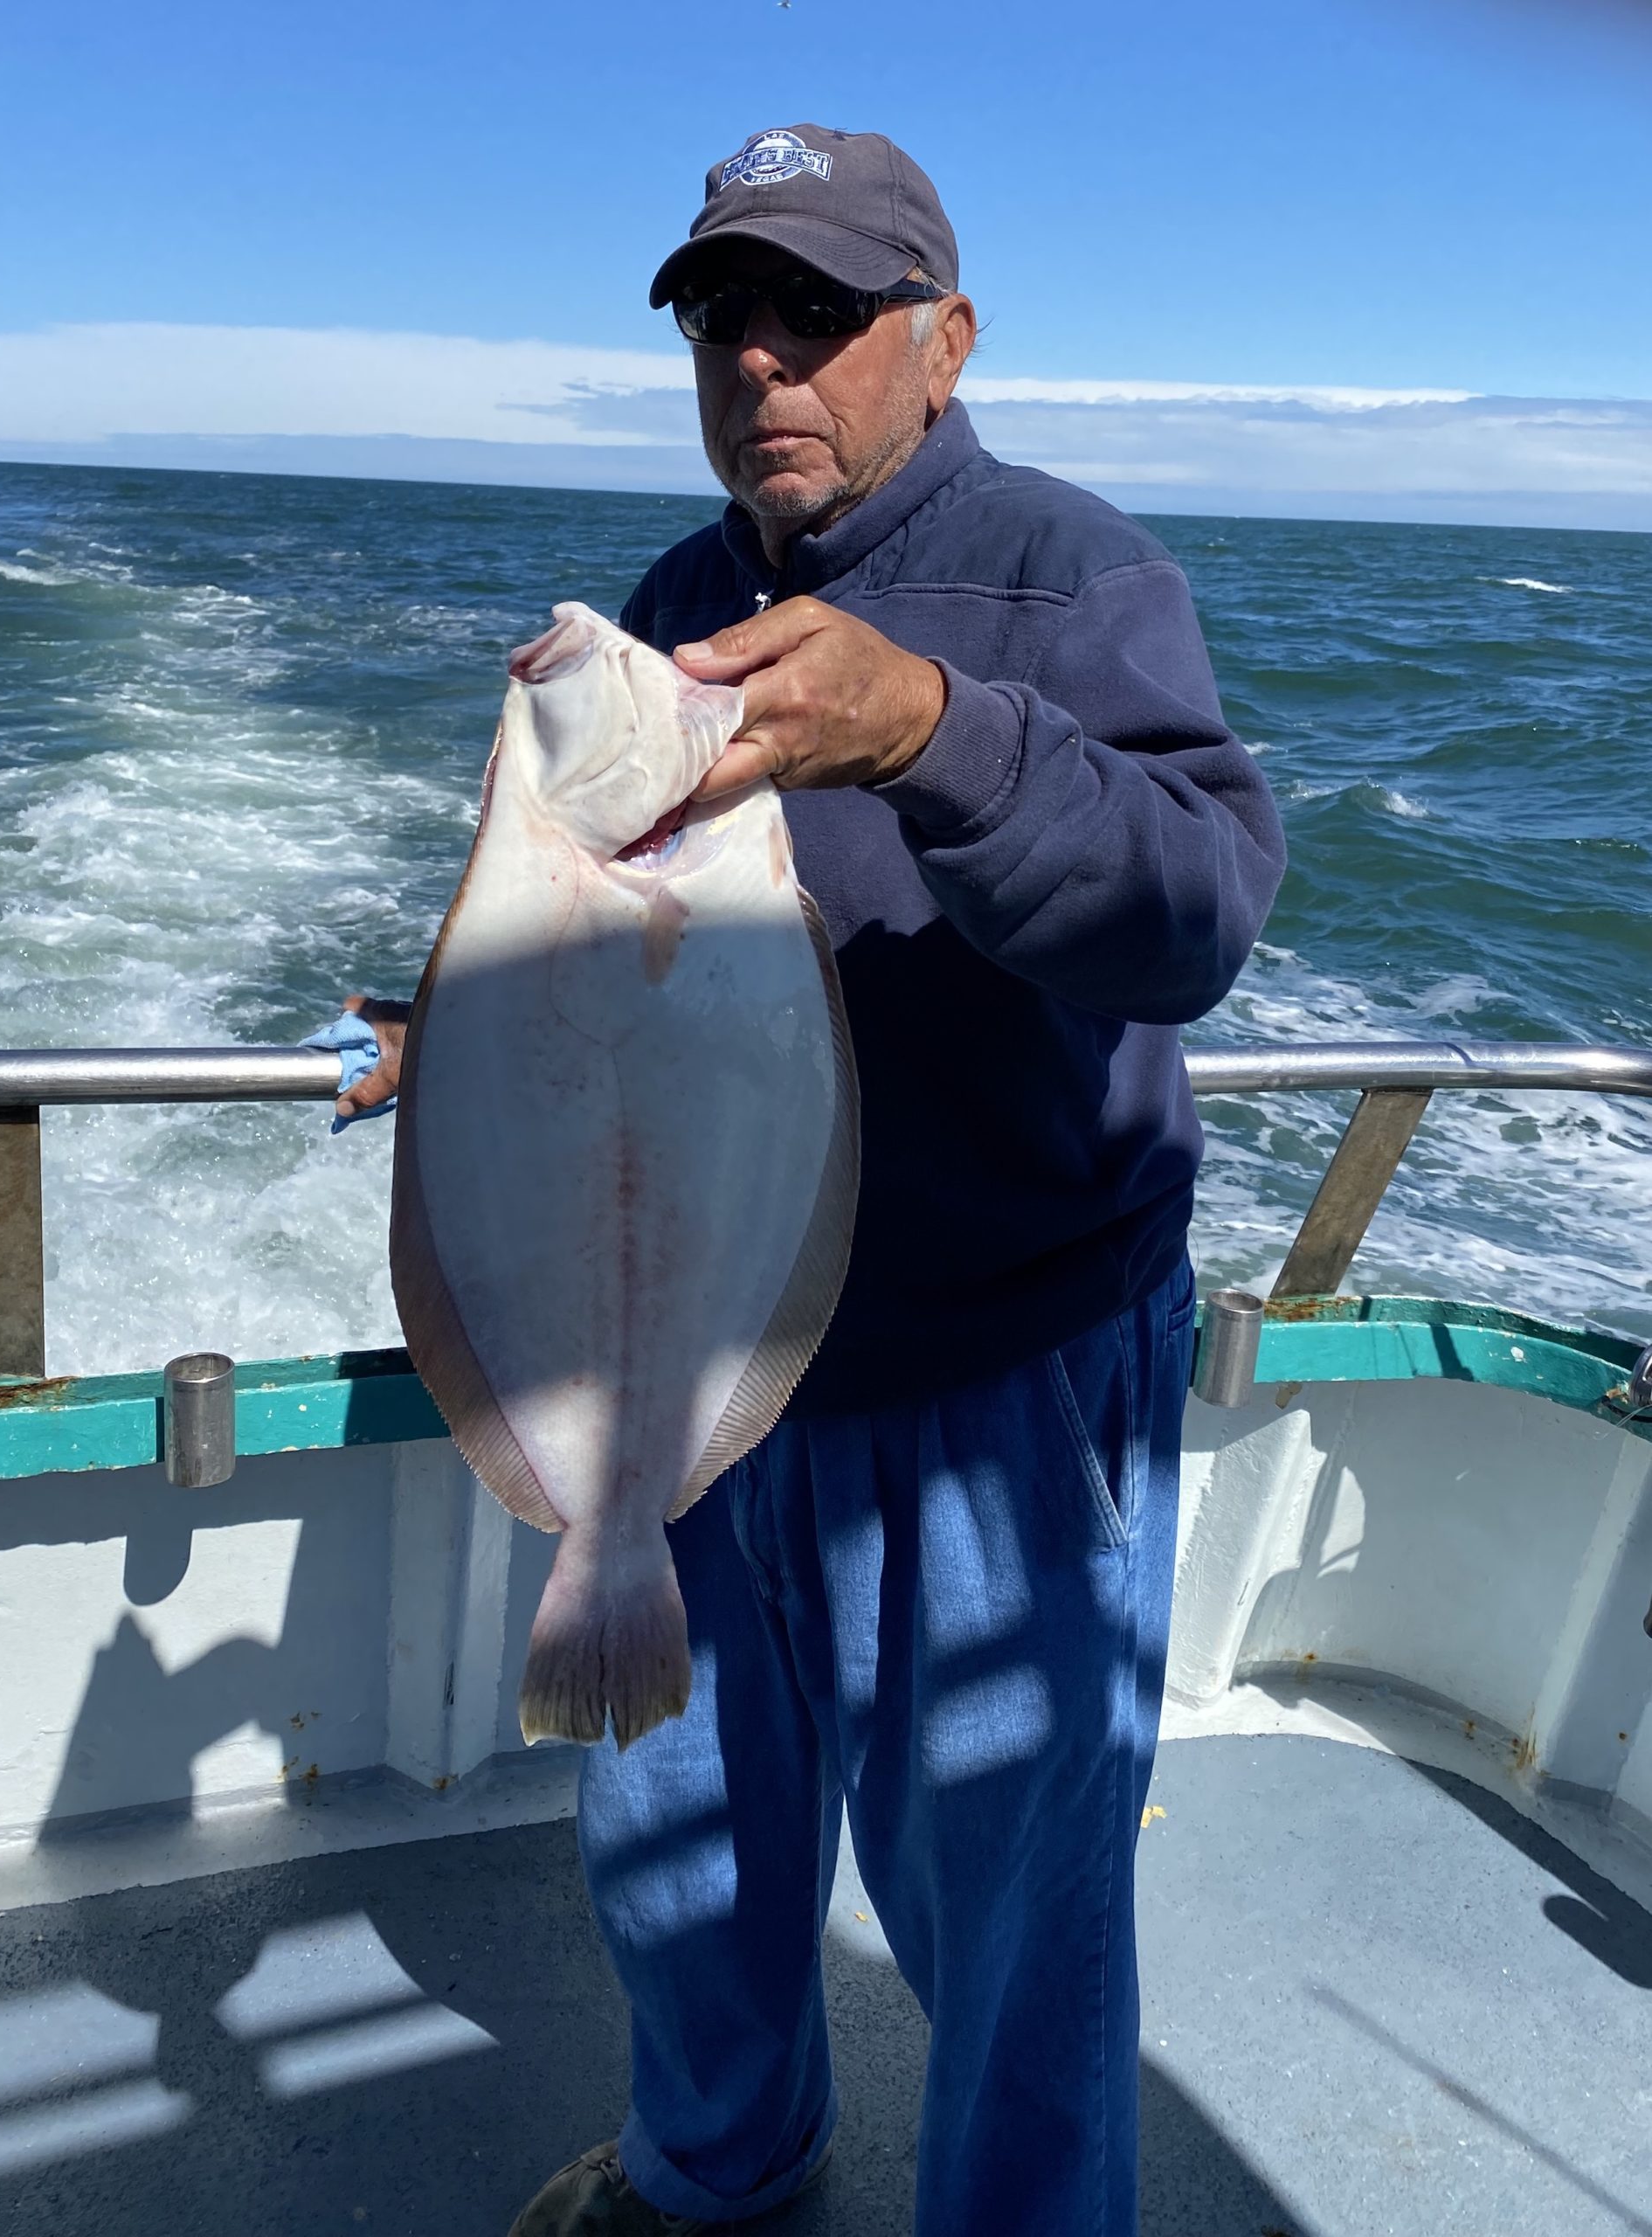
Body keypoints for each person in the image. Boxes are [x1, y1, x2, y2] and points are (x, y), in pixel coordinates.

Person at [336, 124, 1284, 2237]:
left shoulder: (1076, 575)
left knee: (1012, 1924)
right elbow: (603, 943)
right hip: (691, 1392)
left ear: (942, 342)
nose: (757, 357)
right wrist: (447, 1025)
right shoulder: (683, 600)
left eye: (818, 312)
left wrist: (934, 729)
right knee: (685, 1872)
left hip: (1002, 1385)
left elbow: (1196, 915)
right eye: (715, 316)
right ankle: (714, 2178)